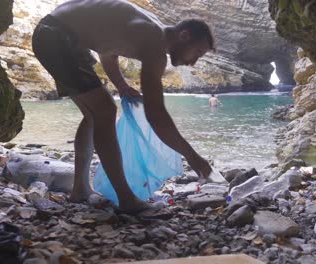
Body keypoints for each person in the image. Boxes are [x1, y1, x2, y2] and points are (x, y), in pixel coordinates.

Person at [31, 0, 214, 214]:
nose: (194, 61)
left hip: (56, 33)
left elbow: (107, 51)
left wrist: (122, 86)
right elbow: (156, 115)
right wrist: (191, 156)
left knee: (94, 114)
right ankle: (126, 198)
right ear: (185, 36)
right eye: (198, 53)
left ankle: (80, 189)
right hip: (56, 36)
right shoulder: (154, 42)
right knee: (105, 110)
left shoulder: (146, 29)